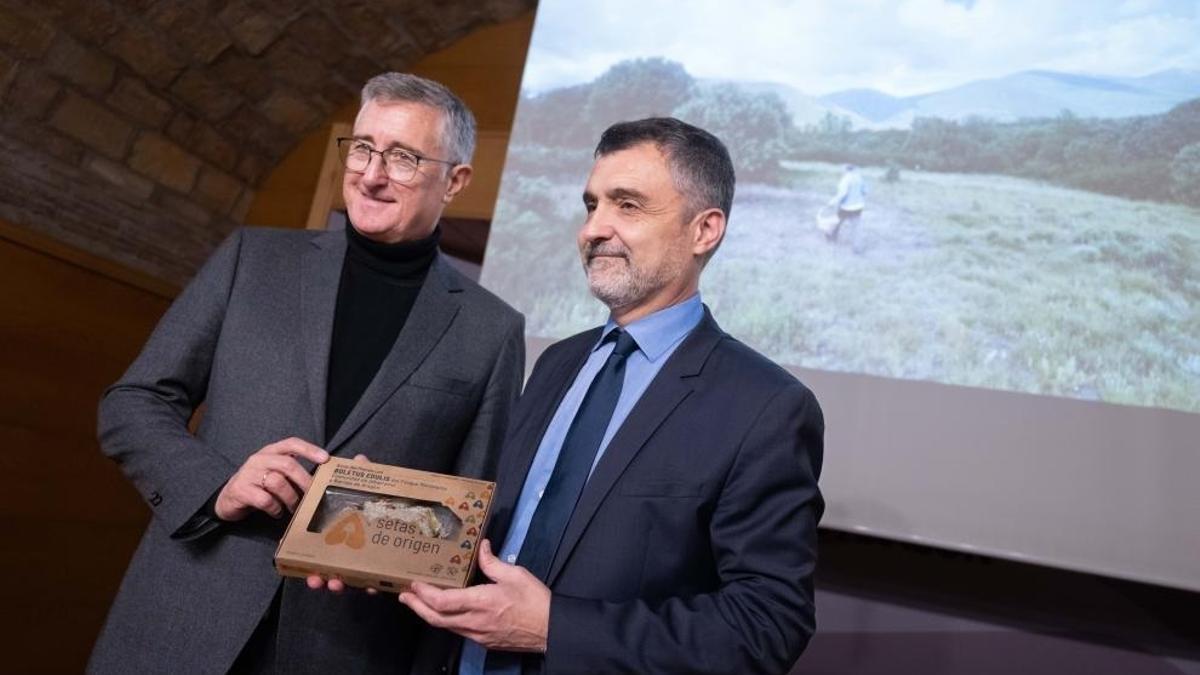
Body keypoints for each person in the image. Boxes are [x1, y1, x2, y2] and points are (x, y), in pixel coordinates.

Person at [88, 73, 524, 674]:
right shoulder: (252, 259)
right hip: (182, 620)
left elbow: (467, 523)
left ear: (456, 181)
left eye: (402, 157)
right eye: (364, 147)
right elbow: (132, 402)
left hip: (344, 647)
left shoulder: (491, 331)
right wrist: (219, 487)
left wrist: (389, 520)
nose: (371, 174)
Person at [400, 118, 825, 675]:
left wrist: (553, 628)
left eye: (627, 206)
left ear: (705, 230)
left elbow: (765, 626)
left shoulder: (767, 407)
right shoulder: (558, 362)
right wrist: (377, 517)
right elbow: (503, 528)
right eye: (591, 204)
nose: (594, 229)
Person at [826, 163, 866, 246]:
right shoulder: (859, 178)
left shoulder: (845, 179)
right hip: (858, 206)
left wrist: (832, 202)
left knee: (837, 221)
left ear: (846, 170)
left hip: (846, 207)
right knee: (856, 227)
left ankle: (831, 236)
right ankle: (857, 246)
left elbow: (842, 194)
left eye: (842, 169)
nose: (841, 171)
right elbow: (865, 191)